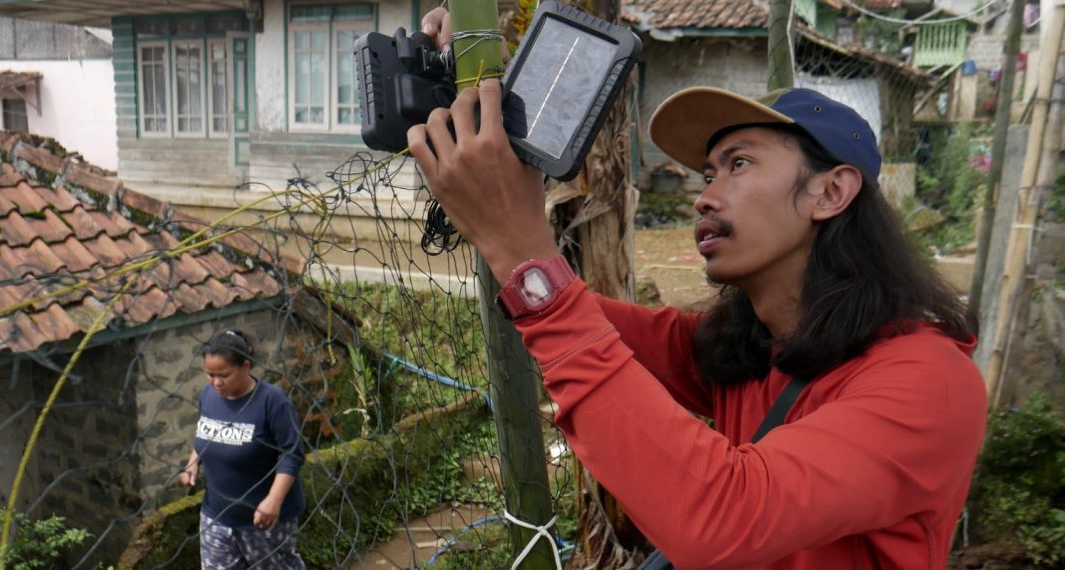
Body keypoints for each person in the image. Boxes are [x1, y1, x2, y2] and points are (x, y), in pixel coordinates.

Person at [408, 9, 987, 569]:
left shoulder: (927, 383)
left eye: (739, 164)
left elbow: (723, 516)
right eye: (707, 175)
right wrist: (482, 78)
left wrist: (527, 258)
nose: (704, 197)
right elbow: (583, 321)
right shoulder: (753, 345)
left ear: (830, 192)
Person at [179, 329, 306, 569]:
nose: (216, 382)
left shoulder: (272, 401)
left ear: (246, 366)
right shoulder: (208, 396)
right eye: (210, 374)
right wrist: (193, 462)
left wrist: (273, 500)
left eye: (224, 375)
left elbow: (292, 453)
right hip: (216, 516)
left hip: (264, 520)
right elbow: (205, 433)